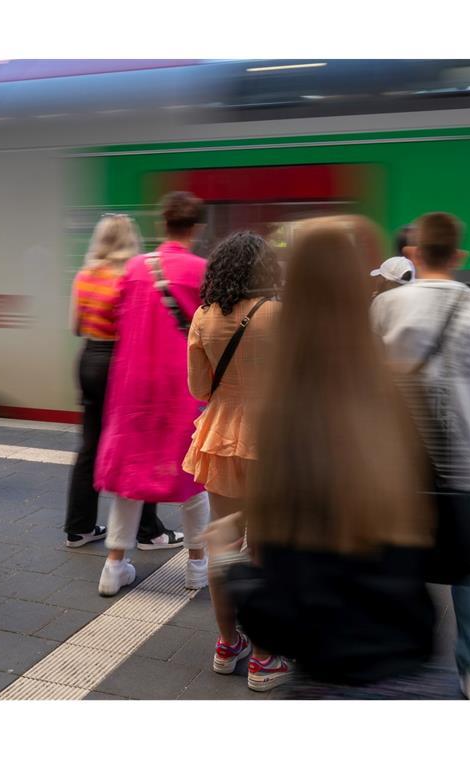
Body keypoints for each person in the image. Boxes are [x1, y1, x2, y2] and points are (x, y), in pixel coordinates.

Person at [202, 222, 450, 698]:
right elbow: (437, 536)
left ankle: (229, 645)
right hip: (413, 665)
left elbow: (276, 616)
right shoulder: (397, 397)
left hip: (326, 679)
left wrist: (224, 560)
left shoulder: (287, 422)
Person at [371, 212, 470, 700]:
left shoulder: (386, 306)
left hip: (400, 468)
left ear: (413, 253)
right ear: (459, 256)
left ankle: (396, 663)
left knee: (398, 564)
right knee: (469, 567)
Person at [183, 231, 288, 691]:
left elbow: (199, 390)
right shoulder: (281, 314)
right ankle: (264, 659)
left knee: (223, 546)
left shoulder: (203, 317)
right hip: (273, 440)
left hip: (220, 435)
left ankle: (228, 645)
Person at [93, 191, 211, 596]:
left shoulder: (136, 268)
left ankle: (113, 567)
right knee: (193, 475)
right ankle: (197, 567)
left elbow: (112, 317)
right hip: (183, 386)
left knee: (131, 473)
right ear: (196, 228)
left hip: (135, 385)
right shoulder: (202, 270)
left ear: (163, 224)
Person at [64, 214, 182, 551]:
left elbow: (75, 326)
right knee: (138, 443)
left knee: (89, 445)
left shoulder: (84, 276)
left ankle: (79, 528)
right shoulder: (131, 278)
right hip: (120, 364)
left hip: (88, 360)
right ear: (130, 241)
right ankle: (148, 532)